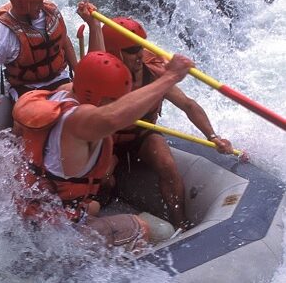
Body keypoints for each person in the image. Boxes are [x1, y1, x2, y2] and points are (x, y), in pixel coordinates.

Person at [13, 51, 196, 250]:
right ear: (99, 100)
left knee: (94, 206)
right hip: (56, 236)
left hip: (29, 214)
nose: (118, 103)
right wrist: (171, 77)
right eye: (114, 100)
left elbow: (95, 66)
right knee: (140, 228)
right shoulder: (79, 122)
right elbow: (112, 118)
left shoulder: (57, 97)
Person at [102, 16, 234, 230]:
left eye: (140, 47)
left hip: (142, 134)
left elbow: (188, 105)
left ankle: (179, 222)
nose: (139, 54)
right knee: (105, 178)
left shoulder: (154, 73)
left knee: (167, 165)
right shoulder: (101, 76)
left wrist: (213, 137)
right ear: (115, 52)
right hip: (108, 138)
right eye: (132, 50)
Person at [0, 0, 82, 113]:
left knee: (85, 106)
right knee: (41, 118)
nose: (41, 5)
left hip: (60, 79)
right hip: (27, 89)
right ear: (21, 4)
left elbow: (64, 42)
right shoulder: (1, 33)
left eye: (41, 1)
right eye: (36, 3)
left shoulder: (50, 12)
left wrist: (78, 71)